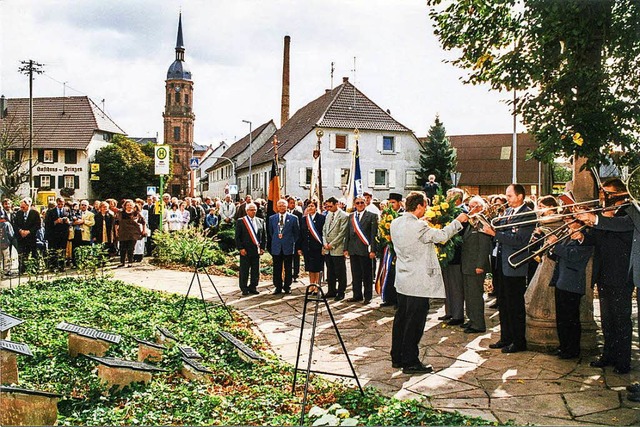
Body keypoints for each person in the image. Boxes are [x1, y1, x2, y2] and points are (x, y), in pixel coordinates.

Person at [390, 191, 468, 374]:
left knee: (401, 319)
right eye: (424, 206)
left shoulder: (396, 222)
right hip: (418, 281)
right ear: (418, 206)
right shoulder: (418, 226)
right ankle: (410, 361)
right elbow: (441, 236)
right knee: (414, 323)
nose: (426, 209)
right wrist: (458, 222)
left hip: (403, 279)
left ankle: (397, 356)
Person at [577, 178, 636, 378]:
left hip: (621, 275)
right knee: (606, 319)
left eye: (608, 193)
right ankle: (608, 355)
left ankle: (623, 360)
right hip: (604, 274)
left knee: (621, 319)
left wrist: (597, 220)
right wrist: (582, 236)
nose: (604, 197)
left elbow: (622, 227)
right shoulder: (606, 215)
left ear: (619, 193)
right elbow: (596, 241)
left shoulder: (631, 212)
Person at [483, 184, 535, 353]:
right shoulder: (507, 212)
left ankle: (519, 341)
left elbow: (520, 240)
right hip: (501, 263)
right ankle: (506, 338)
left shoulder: (527, 213)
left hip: (515, 265)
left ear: (520, 196)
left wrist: (494, 234)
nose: (507, 199)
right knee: (504, 305)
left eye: (510, 196)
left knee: (515, 306)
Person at [547, 218, 592, 359]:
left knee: (571, 318)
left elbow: (574, 256)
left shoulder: (585, 237)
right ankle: (563, 346)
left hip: (572, 282)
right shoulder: (568, 234)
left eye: (569, 220)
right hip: (561, 281)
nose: (566, 223)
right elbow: (557, 256)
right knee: (562, 318)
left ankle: (572, 349)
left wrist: (556, 245)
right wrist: (551, 247)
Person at [460, 196, 493, 333]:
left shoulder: (482, 223)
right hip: (467, 264)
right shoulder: (471, 222)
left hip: (475, 265)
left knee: (475, 296)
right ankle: (472, 319)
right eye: (469, 206)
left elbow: (484, 246)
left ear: (480, 208)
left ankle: (478, 324)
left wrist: (480, 265)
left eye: (473, 206)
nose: (469, 209)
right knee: (469, 295)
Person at [440, 188, 467, 325]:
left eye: (448, 197)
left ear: (456, 199)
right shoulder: (448, 212)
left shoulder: (463, 212)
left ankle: (458, 315)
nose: (446, 199)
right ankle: (449, 311)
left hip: (457, 254)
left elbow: (461, 235)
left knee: (455, 286)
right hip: (446, 254)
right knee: (447, 284)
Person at [344, 196, 378, 304]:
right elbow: (347, 234)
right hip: (353, 250)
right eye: (357, 203)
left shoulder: (372, 216)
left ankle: (368, 297)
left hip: (365, 250)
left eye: (362, 203)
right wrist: (346, 248)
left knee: (367, 275)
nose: (359, 205)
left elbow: (373, 234)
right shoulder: (351, 217)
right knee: (356, 274)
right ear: (354, 204)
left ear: (366, 203)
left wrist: (373, 250)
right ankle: (357, 295)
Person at [268, 199, 300, 294]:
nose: (282, 207)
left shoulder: (293, 218)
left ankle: (287, 286)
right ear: (277, 207)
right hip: (276, 246)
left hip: (288, 246)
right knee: (277, 268)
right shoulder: (272, 218)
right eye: (280, 205)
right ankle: (277, 286)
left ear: (287, 207)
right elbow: (271, 232)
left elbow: (296, 233)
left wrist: (290, 241)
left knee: (288, 268)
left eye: (284, 205)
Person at [235, 202, 266, 295]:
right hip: (245, 250)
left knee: (255, 270)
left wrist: (262, 247)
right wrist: (240, 248)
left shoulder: (260, 221)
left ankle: (253, 286)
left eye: (255, 210)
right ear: (247, 211)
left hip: (256, 250)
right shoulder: (241, 221)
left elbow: (264, 235)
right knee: (244, 270)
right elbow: (237, 237)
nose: (253, 212)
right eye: (251, 210)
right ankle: (244, 287)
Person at [379, 192, 403, 307]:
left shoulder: (403, 215)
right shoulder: (387, 214)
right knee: (389, 272)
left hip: (399, 248)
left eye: (393, 202)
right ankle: (389, 298)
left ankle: (398, 300)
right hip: (389, 247)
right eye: (389, 202)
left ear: (399, 203)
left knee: (397, 274)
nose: (391, 205)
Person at [322, 197, 349, 301]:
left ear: (336, 204)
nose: (328, 208)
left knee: (340, 272)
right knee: (330, 271)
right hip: (327, 248)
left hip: (337, 248)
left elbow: (342, 233)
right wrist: (325, 243)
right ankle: (331, 290)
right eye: (327, 206)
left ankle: (341, 292)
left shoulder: (343, 216)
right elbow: (324, 229)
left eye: (330, 206)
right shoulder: (328, 214)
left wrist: (332, 244)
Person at [298, 200, 325, 288]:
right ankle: (311, 285)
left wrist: (323, 246)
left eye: (312, 206)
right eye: (308, 206)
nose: (310, 208)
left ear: (316, 207)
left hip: (317, 247)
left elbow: (323, 233)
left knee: (317, 267)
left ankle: (317, 285)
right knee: (310, 267)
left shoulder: (321, 218)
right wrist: (299, 247)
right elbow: (301, 234)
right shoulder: (304, 219)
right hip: (307, 246)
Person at [14, 197, 41, 274]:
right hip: (21, 237)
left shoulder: (35, 213)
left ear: (28, 205)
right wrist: (20, 231)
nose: (22, 209)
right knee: (22, 254)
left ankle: (35, 269)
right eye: (21, 207)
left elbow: (38, 225)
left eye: (23, 207)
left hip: (31, 237)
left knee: (34, 253)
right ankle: (22, 269)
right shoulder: (19, 213)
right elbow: (15, 224)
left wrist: (29, 231)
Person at [114, 199, 145, 267]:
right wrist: (116, 231)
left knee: (131, 248)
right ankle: (122, 262)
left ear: (133, 206)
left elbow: (143, 222)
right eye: (127, 205)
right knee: (122, 248)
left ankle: (130, 262)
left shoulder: (136, 213)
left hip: (133, 233)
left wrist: (143, 230)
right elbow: (116, 223)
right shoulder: (120, 213)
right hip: (123, 232)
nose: (129, 206)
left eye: (130, 205)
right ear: (124, 206)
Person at [44, 197, 71, 271]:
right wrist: (55, 222)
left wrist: (68, 221)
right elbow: (47, 223)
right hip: (54, 234)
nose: (60, 205)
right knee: (53, 250)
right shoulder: (50, 211)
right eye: (59, 204)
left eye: (62, 204)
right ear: (56, 203)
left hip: (63, 233)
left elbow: (71, 220)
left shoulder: (67, 210)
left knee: (62, 250)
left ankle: (61, 266)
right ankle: (52, 266)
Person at [71, 200, 95, 266]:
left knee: (86, 248)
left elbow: (92, 223)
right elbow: (71, 222)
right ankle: (75, 263)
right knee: (76, 248)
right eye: (82, 205)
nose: (83, 206)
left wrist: (83, 221)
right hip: (77, 233)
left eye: (85, 205)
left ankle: (86, 262)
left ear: (87, 206)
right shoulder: (75, 213)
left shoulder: (91, 214)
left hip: (86, 234)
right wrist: (74, 222)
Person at [287, 197, 303, 282]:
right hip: (287, 239)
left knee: (296, 258)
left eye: (294, 203)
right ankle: (288, 274)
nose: (292, 204)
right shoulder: (284, 213)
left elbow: (300, 228)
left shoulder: (298, 214)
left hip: (296, 239)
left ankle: (295, 274)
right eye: (291, 203)